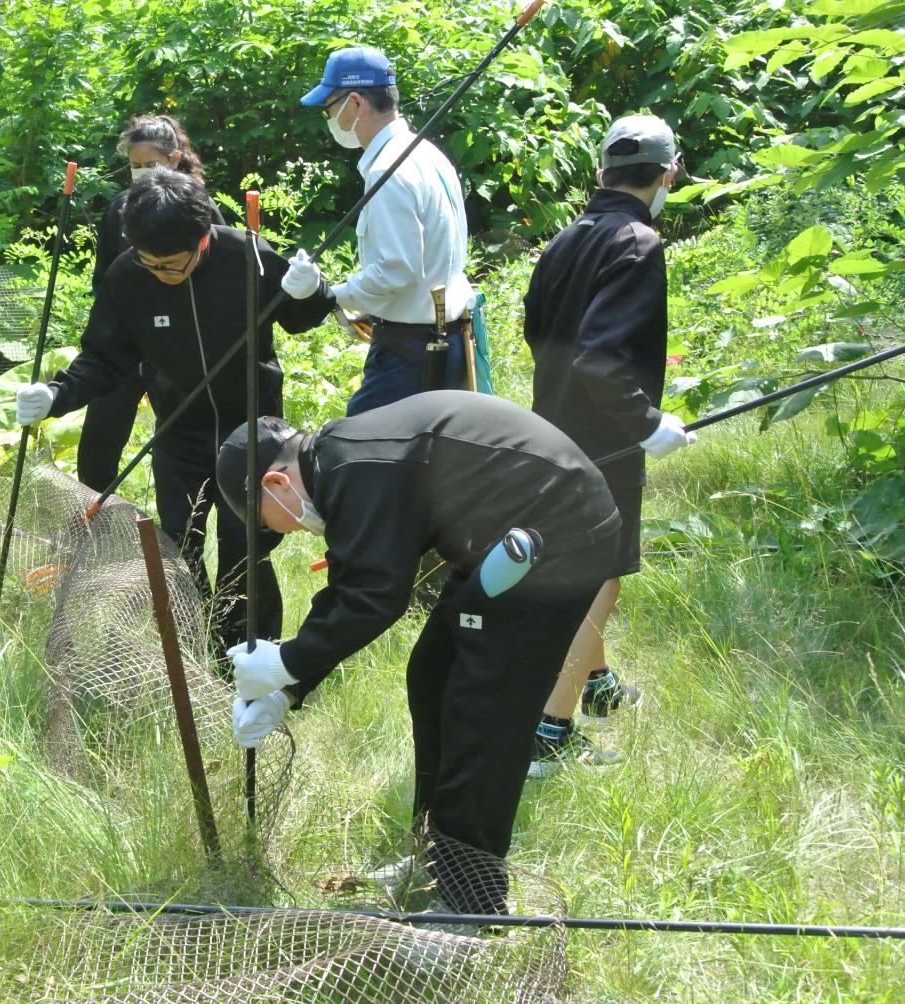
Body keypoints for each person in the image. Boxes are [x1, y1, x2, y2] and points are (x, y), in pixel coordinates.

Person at [216, 393, 621, 912]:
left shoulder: (356, 469)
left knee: (483, 709)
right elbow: (351, 589)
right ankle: (437, 854)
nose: (286, 532)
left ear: (276, 483)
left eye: (272, 524)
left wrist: (283, 663)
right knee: (432, 675)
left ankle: (469, 901)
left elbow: (377, 597)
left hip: (558, 535)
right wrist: (289, 689)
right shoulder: (341, 463)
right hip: (501, 534)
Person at [15, 168, 335, 650]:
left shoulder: (246, 255)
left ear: (203, 238)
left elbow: (296, 318)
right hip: (178, 431)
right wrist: (56, 396)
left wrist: (313, 290)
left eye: (173, 264)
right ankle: (195, 650)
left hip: (253, 433)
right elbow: (105, 357)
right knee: (178, 546)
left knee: (246, 548)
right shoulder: (127, 276)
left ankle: (255, 656)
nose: (162, 274)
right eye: (152, 263)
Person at [521, 114, 696, 777]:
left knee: (580, 567)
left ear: (602, 173)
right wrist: (646, 422)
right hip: (604, 445)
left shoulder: (565, 239)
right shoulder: (639, 242)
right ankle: (547, 735)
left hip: (549, 431)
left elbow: (538, 330)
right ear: (668, 172)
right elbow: (599, 358)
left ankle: (597, 687)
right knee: (596, 580)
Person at [279, 46, 479, 415]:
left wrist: (328, 295)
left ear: (355, 103)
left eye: (329, 108)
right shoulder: (426, 152)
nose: (329, 118)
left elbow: (396, 271)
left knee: (357, 455)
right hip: (447, 336)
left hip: (411, 351)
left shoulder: (390, 170)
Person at [80, 116, 225, 494]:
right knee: (99, 436)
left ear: (175, 158)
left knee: (178, 442)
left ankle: (181, 529)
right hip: (129, 341)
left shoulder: (199, 207)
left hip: (179, 347)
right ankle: (91, 514)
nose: (144, 174)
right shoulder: (119, 209)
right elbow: (104, 283)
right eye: (136, 166)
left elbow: (221, 274)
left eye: (153, 165)